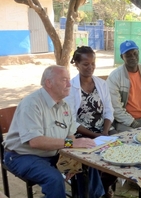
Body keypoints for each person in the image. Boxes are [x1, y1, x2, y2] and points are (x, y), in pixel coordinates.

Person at [2, 65, 105, 197]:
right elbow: (35, 141)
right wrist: (71, 144)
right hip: (22, 156)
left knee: (88, 162)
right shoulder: (31, 104)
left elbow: (70, 136)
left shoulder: (64, 105)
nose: (69, 84)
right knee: (54, 179)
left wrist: (72, 159)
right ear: (48, 83)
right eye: (64, 80)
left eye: (68, 79)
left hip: (52, 153)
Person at [65, 46, 117, 198]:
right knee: (89, 159)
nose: (90, 67)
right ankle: (93, 193)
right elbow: (71, 121)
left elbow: (109, 110)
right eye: (85, 64)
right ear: (76, 64)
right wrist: (95, 135)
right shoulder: (71, 87)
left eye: (93, 63)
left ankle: (102, 187)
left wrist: (105, 132)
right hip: (81, 133)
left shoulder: (101, 84)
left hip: (103, 130)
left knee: (120, 150)